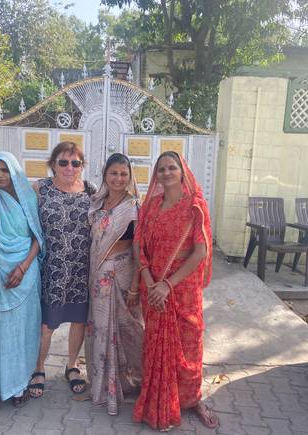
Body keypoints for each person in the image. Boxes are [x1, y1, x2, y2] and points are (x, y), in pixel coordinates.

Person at [132, 151, 218, 430]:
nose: (167, 173)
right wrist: (148, 280)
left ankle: (191, 400)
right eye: (161, 169)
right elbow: (138, 247)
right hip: (152, 289)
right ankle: (157, 397)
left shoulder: (194, 206)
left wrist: (168, 285)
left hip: (181, 290)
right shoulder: (151, 206)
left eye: (172, 168)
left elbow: (200, 252)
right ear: (156, 175)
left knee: (189, 346)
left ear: (182, 172)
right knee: (155, 346)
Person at [28, 141, 96, 398]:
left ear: (82, 166)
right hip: (53, 268)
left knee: (78, 321)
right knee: (48, 323)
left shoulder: (90, 190)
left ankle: (72, 366)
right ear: (53, 164)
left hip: (81, 267)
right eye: (63, 162)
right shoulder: (40, 188)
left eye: (75, 163)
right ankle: (38, 367)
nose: (70, 167)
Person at [0, 152, 44, 407]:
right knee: (1, 330)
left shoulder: (30, 197)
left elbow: (38, 237)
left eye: (4, 170)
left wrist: (24, 267)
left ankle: (20, 384)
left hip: (25, 274)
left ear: (14, 171)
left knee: (25, 329)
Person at [85, 153, 144, 416]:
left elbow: (139, 251)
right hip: (98, 279)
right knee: (100, 331)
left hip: (121, 278)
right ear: (105, 175)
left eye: (123, 173)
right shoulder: (97, 203)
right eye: (113, 173)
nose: (119, 178)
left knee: (127, 331)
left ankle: (132, 381)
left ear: (130, 176)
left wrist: (135, 286)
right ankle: (105, 384)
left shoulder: (133, 207)